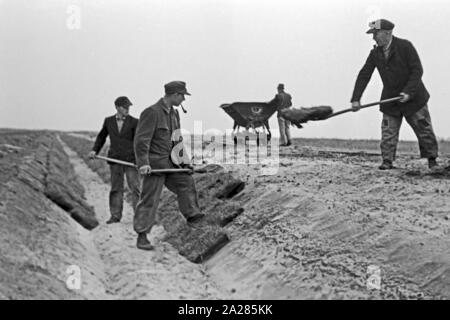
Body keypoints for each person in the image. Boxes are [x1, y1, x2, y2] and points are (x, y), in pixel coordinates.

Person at [351, 19, 439, 170]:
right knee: (388, 132)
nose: (373, 38)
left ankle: (432, 160)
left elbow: (417, 70)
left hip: (414, 98)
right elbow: (364, 75)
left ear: (387, 33)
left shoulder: (405, 46)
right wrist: (356, 99)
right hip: (390, 100)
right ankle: (387, 161)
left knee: (424, 130)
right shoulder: (375, 54)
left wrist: (408, 92)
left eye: (376, 34)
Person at [133, 81, 204, 251]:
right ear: (174, 95)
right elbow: (141, 140)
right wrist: (143, 163)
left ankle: (194, 218)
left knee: (186, 182)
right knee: (150, 199)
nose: (183, 100)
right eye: (182, 96)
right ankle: (142, 236)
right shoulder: (152, 112)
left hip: (172, 163)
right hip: (155, 166)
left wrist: (185, 163)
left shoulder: (174, 114)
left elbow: (177, 140)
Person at [88, 96, 140, 224]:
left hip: (130, 160)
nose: (128, 109)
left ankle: (139, 216)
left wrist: (141, 159)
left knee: (136, 188)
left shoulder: (135, 122)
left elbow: (139, 142)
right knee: (116, 189)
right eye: (125, 107)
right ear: (117, 107)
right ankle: (115, 216)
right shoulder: (108, 121)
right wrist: (95, 150)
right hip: (115, 159)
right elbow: (101, 137)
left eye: (129, 106)